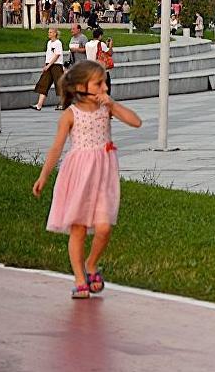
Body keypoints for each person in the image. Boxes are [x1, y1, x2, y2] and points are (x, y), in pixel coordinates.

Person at [32, 60, 143, 299]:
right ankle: (80, 279)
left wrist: (112, 104)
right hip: (78, 175)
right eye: (99, 83)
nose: (105, 88)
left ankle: (91, 264)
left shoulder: (107, 108)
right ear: (81, 87)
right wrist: (43, 176)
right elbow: (56, 149)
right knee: (79, 229)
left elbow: (136, 122)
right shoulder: (70, 115)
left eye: (105, 83)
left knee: (103, 228)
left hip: (103, 175)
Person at [32, 28, 66, 111]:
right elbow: (49, 55)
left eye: (50, 32)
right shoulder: (49, 43)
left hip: (56, 66)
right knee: (44, 84)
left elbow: (57, 55)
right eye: (48, 32)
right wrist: (46, 65)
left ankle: (63, 104)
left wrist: (49, 65)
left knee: (60, 85)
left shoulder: (58, 43)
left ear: (55, 33)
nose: (49, 34)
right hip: (49, 65)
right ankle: (39, 105)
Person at [85, 27, 114, 92]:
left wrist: (105, 45)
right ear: (100, 35)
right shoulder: (101, 44)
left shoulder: (87, 44)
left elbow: (98, 51)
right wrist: (110, 45)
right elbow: (110, 53)